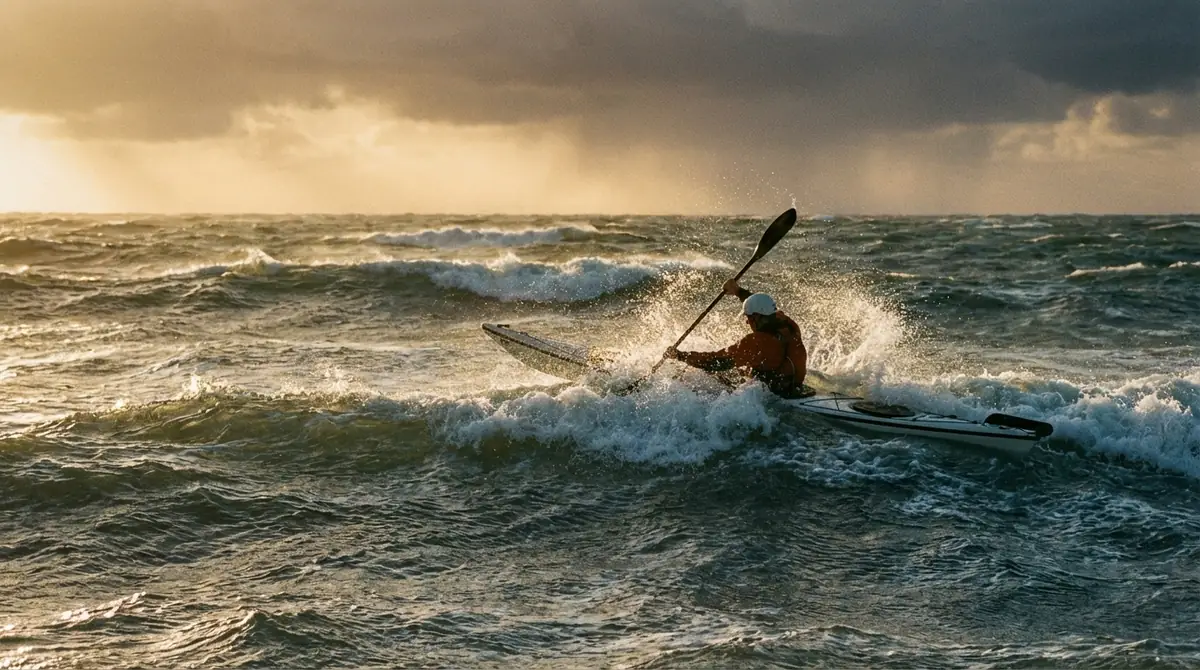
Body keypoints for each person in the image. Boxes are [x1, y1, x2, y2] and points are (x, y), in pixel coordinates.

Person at [664, 279, 808, 397]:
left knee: (701, 371)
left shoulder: (757, 342)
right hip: (793, 384)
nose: (747, 322)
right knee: (741, 369)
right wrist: (738, 291)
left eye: (749, 318)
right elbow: (759, 304)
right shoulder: (787, 323)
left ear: (757, 317)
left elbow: (716, 361)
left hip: (773, 392)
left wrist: (680, 355)